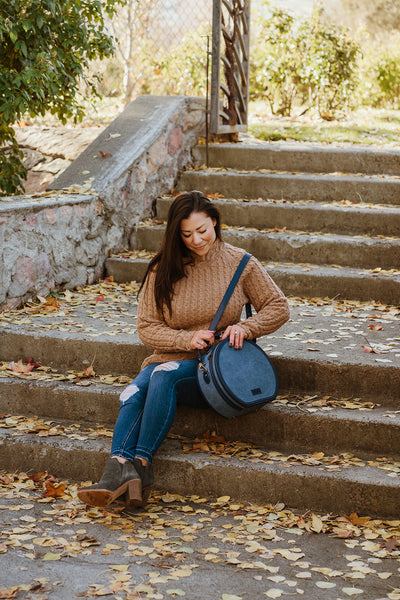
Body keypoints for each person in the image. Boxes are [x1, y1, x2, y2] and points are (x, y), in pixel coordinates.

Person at [77, 190, 290, 509]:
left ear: (215, 222)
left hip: (215, 370)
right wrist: (185, 340)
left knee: (163, 375)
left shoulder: (240, 263)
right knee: (132, 392)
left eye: (203, 230)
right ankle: (117, 469)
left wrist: (245, 328)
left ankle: (141, 465)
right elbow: (147, 327)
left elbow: (278, 306)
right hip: (171, 357)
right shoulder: (162, 269)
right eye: (187, 234)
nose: (197, 240)